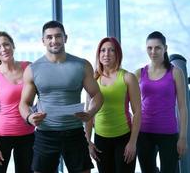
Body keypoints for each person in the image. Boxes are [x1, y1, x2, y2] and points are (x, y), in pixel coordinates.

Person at [19, 20, 103, 173]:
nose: (54, 40)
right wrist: (29, 118)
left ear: (65, 38)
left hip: (75, 132)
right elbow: (24, 103)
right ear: (43, 41)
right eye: (49, 37)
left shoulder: (82, 65)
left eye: (58, 36)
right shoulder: (32, 69)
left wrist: (90, 113)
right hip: (45, 134)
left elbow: (97, 95)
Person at [86, 37, 141, 173]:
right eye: (103, 50)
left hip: (124, 139)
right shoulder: (93, 79)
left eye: (111, 50)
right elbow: (88, 113)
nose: (106, 54)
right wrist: (88, 141)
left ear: (118, 54)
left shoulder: (128, 77)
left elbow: (138, 112)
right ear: (98, 54)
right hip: (100, 140)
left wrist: (133, 142)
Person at [135, 31, 188, 173]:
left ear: (165, 48)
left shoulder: (176, 72)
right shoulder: (139, 73)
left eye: (157, 47)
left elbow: (182, 107)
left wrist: (182, 137)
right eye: (149, 48)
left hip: (168, 133)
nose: (153, 51)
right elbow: (126, 100)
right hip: (144, 133)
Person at [0, 31, 35, 173]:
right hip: (1, 137)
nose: (3, 49)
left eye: (6, 44)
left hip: (28, 135)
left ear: (13, 45)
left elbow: (42, 94)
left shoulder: (28, 68)